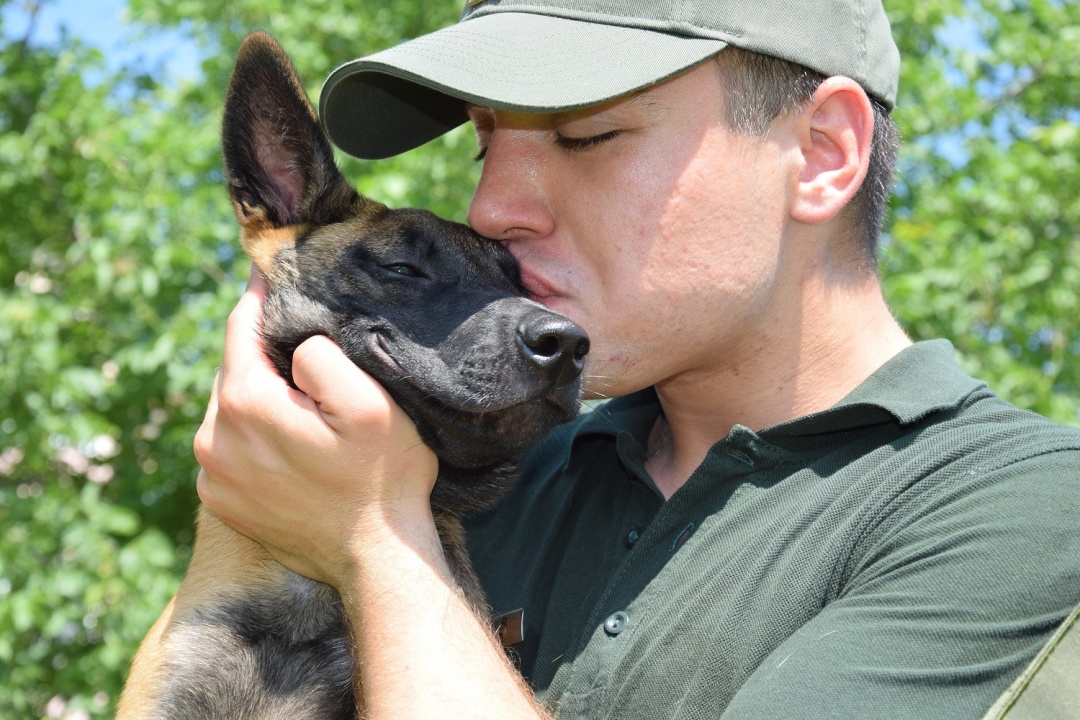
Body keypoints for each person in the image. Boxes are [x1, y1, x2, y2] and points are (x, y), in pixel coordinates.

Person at [193, 1, 1080, 717]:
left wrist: (376, 545)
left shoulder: (1016, 510)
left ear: (820, 154)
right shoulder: (458, 469)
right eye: (485, 143)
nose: (493, 206)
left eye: (586, 137)